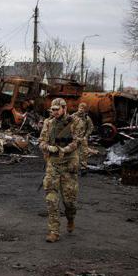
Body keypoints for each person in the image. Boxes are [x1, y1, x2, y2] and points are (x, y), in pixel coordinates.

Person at [38, 98, 85, 243]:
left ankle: (70, 218)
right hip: (53, 164)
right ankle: (54, 231)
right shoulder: (48, 123)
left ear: (64, 109)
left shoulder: (76, 122)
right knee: (51, 198)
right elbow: (41, 141)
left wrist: (63, 150)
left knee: (69, 201)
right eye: (52, 109)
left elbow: (77, 141)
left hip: (69, 164)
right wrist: (48, 147)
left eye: (57, 109)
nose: (54, 112)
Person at [74, 103, 95, 169]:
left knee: (84, 153)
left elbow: (90, 127)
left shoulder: (86, 118)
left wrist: (86, 135)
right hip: (74, 138)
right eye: (80, 107)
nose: (81, 109)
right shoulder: (73, 116)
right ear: (78, 108)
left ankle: (83, 167)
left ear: (85, 110)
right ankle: (73, 167)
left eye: (83, 108)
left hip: (82, 138)